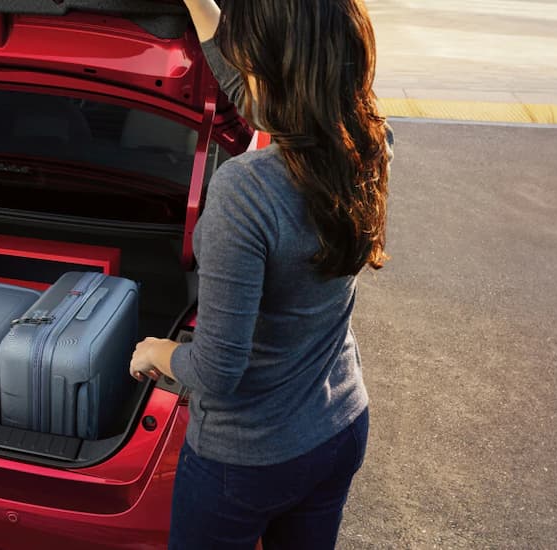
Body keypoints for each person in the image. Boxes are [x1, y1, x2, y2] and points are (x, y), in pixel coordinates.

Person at [128, 0, 394, 548]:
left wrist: (158, 351)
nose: (241, 69)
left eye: (249, 58)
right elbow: (252, 93)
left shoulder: (245, 193)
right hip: (339, 423)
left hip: (247, 461)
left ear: (274, 70)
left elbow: (217, 371)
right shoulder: (369, 144)